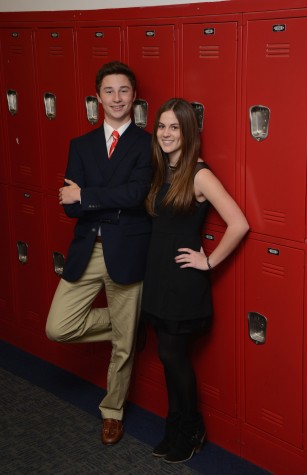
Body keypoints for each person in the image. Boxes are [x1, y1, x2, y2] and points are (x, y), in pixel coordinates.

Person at [46, 61, 152, 446]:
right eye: (109, 91)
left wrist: (87, 196)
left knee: (122, 349)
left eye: (124, 91)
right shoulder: (82, 145)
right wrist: (98, 202)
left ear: (134, 97)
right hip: (89, 249)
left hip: (128, 251)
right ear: (97, 98)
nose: (117, 98)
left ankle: (112, 411)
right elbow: (68, 206)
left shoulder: (146, 143)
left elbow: (136, 195)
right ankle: (131, 324)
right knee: (58, 326)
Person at [141, 98, 249, 464]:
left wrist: (209, 261)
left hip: (183, 283)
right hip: (158, 278)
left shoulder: (199, 173)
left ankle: (191, 429)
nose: (166, 134)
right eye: (161, 127)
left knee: (173, 355)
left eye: (174, 127)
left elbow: (239, 223)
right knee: (167, 357)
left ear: (188, 133)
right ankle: (175, 428)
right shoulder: (162, 170)